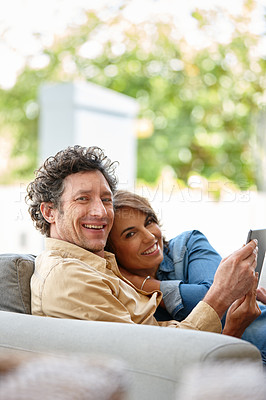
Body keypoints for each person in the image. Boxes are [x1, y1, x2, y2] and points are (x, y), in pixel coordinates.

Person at [27, 145, 259, 338]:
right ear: (49, 211)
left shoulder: (99, 266)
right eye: (83, 199)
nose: (100, 211)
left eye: (106, 199)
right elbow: (152, 360)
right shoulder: (68, 277)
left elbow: (158, 338)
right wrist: (228, 320)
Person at [106, 190, 266, 360]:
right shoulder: (122, 295)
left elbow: (218, 297)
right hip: (233, 367)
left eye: (149, 222)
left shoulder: (187, 244)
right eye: (130, 234)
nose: (149, 236)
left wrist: (140, 283)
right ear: (111, 251)